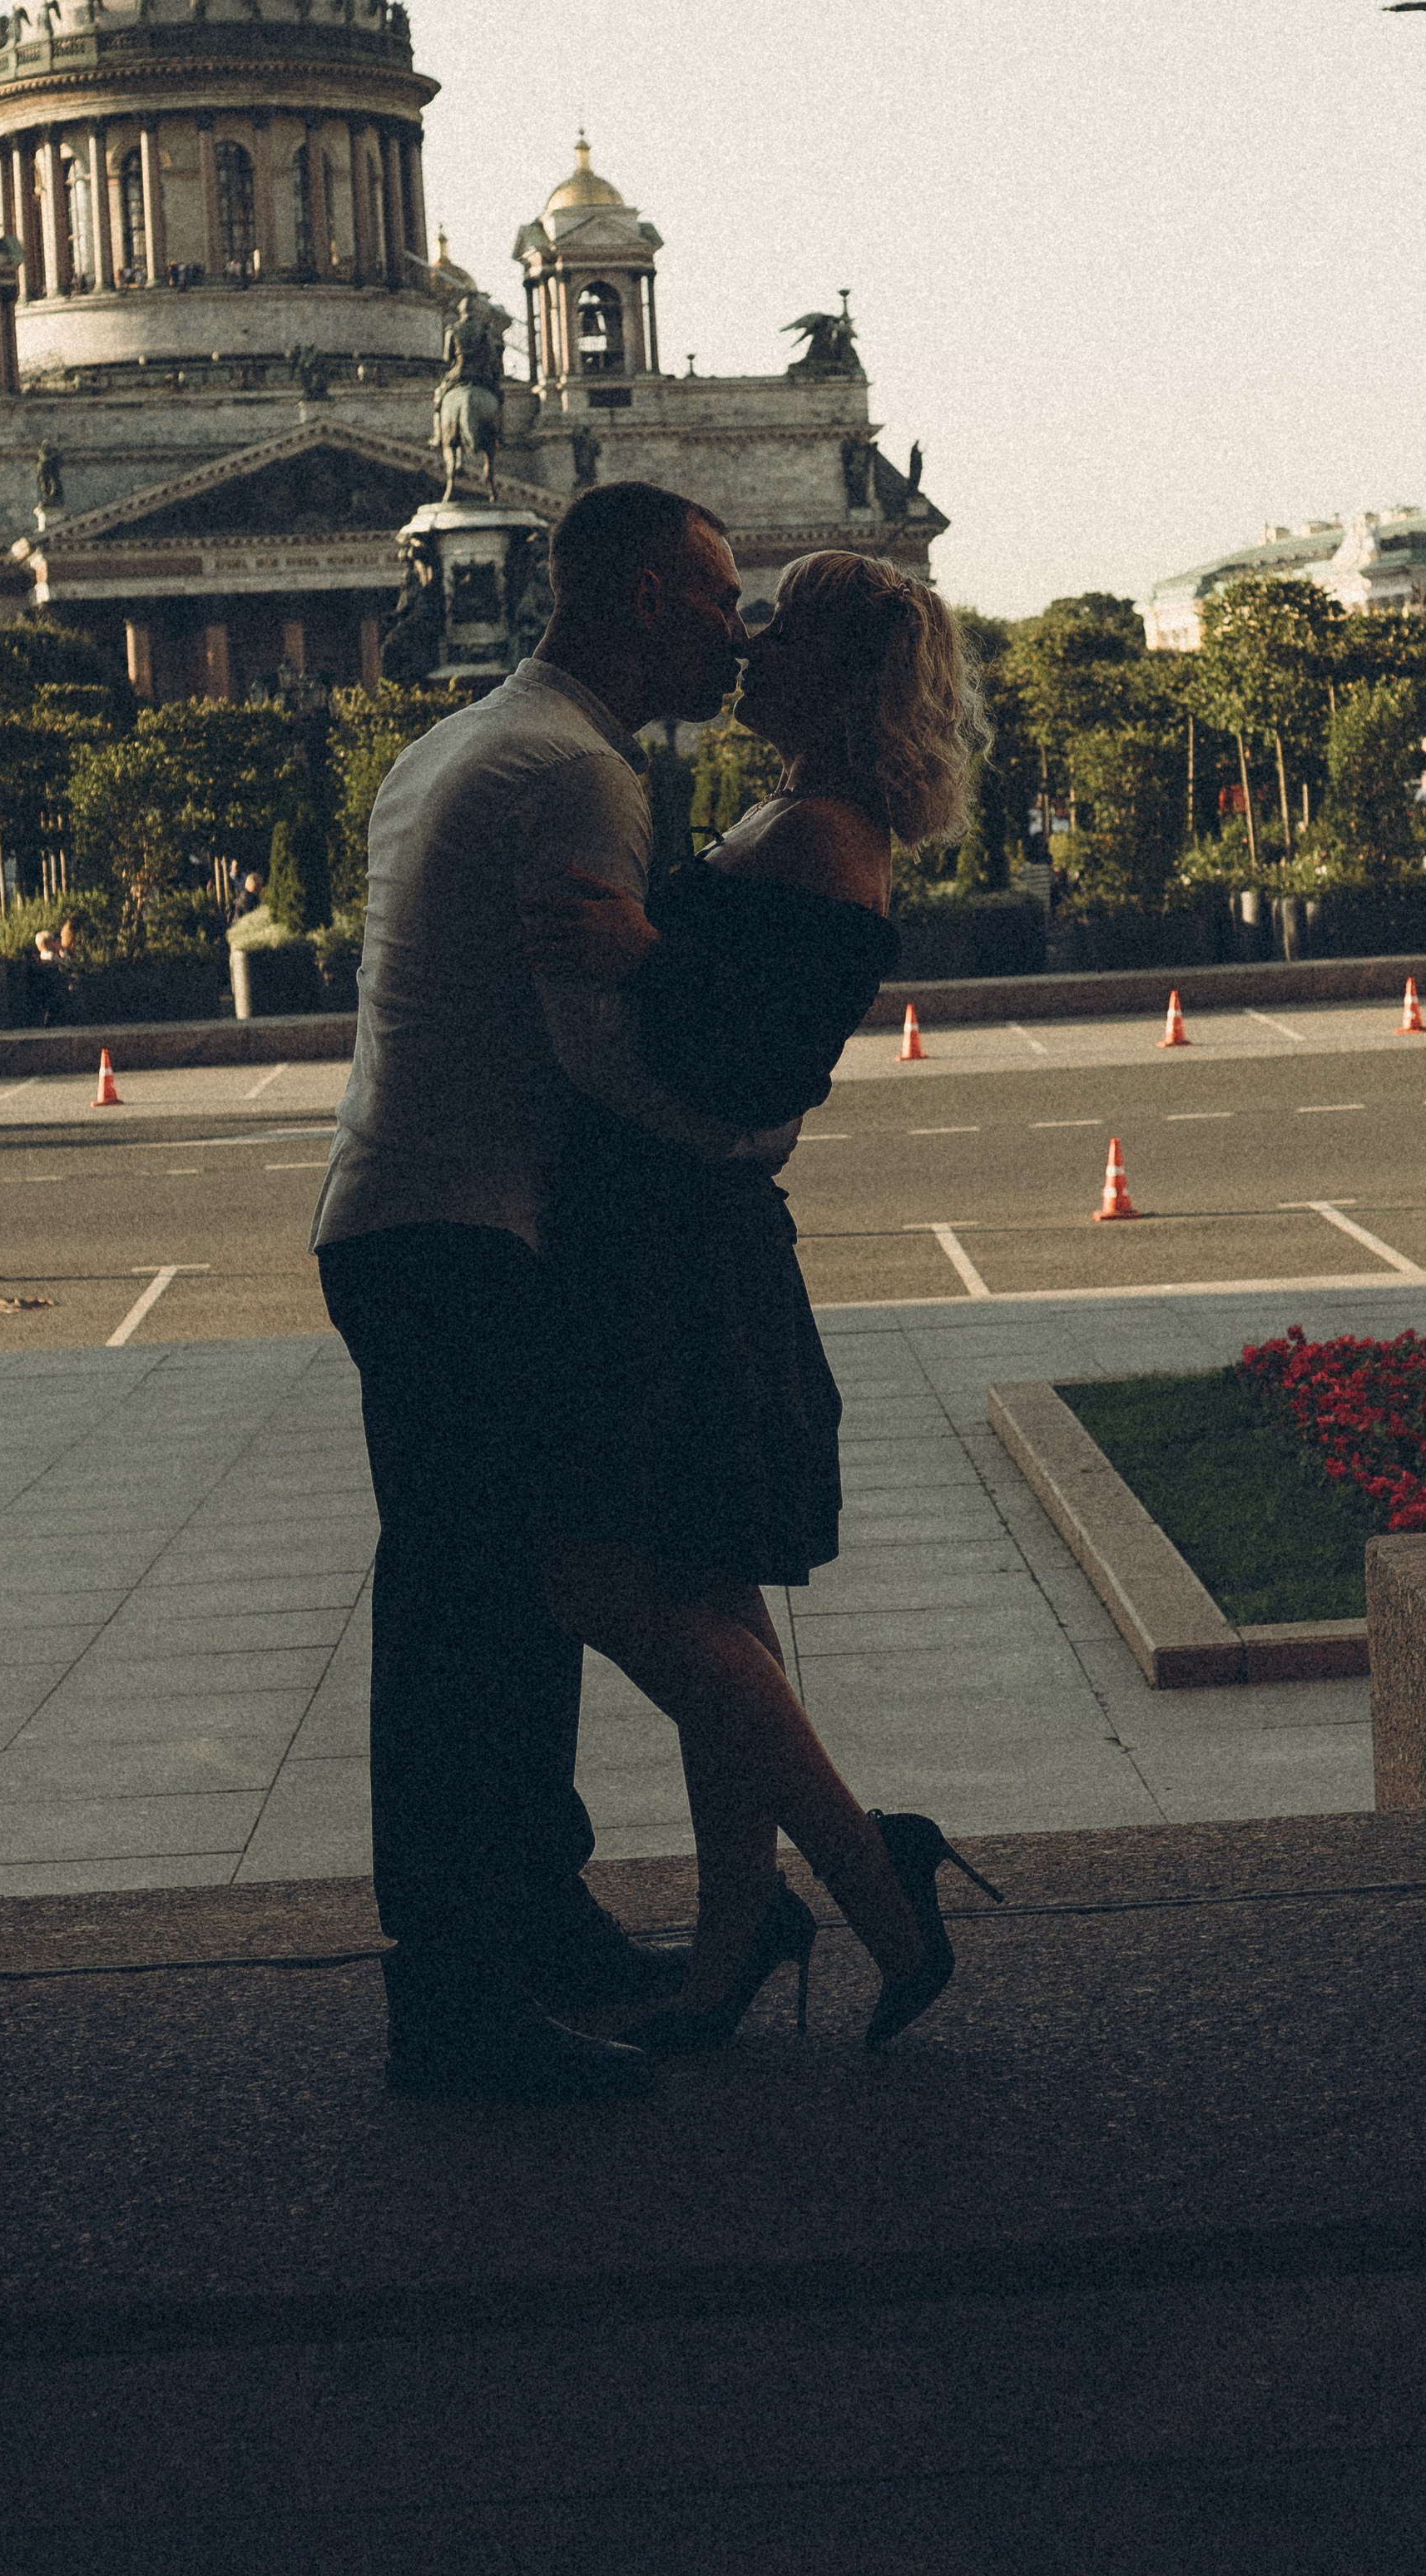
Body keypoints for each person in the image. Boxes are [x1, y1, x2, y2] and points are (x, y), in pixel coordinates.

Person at [311, 481, 790, 2103]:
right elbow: (605, 1067)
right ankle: (451, 2001)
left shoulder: (453, 744)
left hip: (397, 1216)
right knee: (469, 1633)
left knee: (505, 1603)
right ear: (644, 603)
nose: (740, 631)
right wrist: (756, 1124)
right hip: (467, 1233)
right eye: (720, 601)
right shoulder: (575, 775)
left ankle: (539, 1929)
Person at [522, 551, 1001, 2058]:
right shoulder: (801, 817)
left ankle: (873, 1876)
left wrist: (650, 948)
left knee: (607, 1586)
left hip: (684, 1271)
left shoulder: (817, 836)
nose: (744, 644)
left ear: (834, 678)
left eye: (775, 630)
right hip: (686, 1255)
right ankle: (736, 1938)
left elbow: (764, 1057)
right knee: (714, 1599)